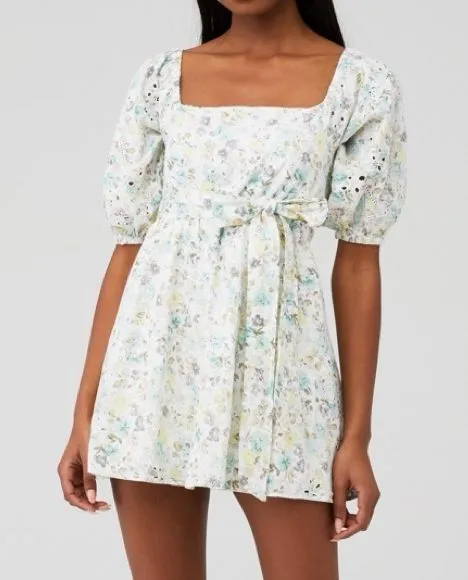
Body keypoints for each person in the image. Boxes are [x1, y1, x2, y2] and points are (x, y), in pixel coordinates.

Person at [57, 0, 407, 578]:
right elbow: (128, 252)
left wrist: (355, 437)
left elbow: (358, 265)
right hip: (153, 376)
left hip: (284, 377)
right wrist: (85, 411)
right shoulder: (160, 79)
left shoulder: (361, 86)